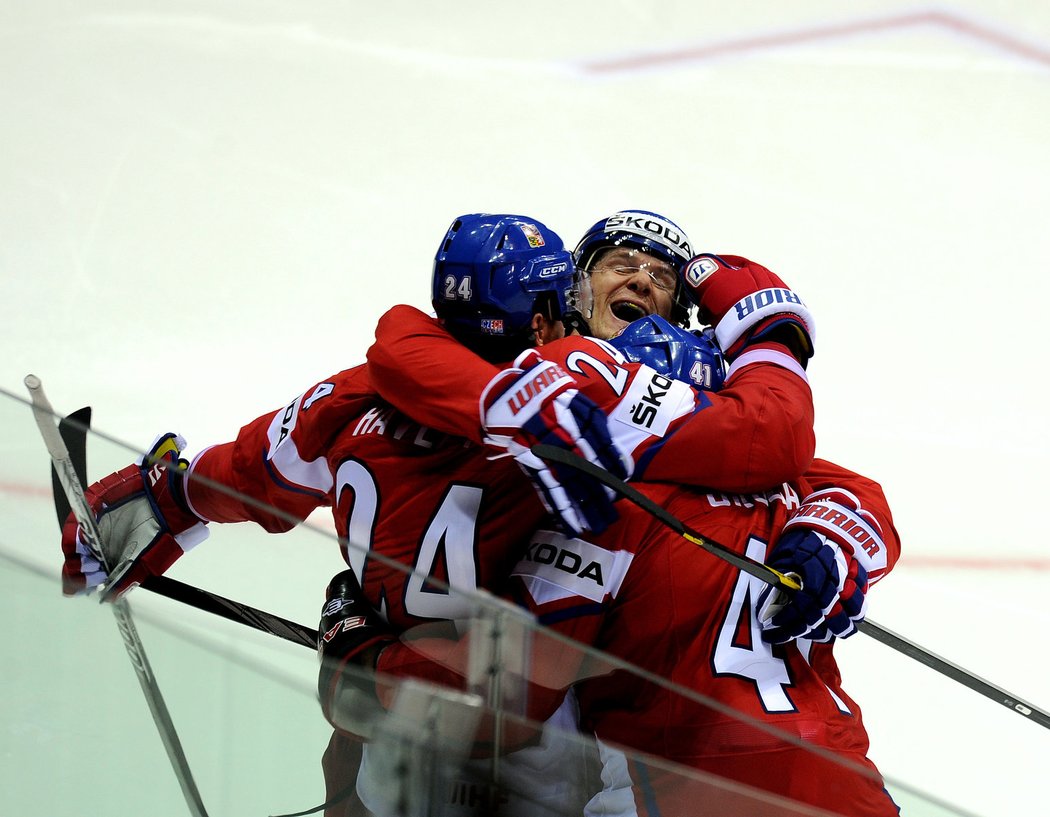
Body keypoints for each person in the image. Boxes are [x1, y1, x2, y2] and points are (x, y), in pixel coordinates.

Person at [58, 211, 834, 815]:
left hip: (401, 723)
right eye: (616, 265)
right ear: (554, 304)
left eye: (660, 275)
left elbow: (258, 463)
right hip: (519, 735)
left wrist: (168, 498)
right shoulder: (594, 420)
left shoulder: (360, 391)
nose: (638, 282)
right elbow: (769, 447)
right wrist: (770, 331)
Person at [326, 321, 901, 816]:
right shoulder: (793, 491)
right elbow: (860, 497)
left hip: (679, 796)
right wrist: (836, 531)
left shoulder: (604, 514)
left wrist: (363, 655)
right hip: (844, 784)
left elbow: (501, 704)